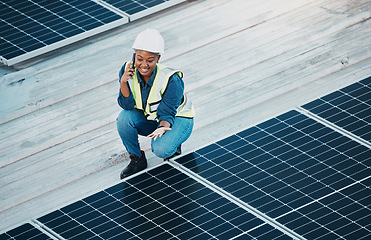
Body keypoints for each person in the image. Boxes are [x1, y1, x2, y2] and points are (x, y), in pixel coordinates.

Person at [116, 29, 195, 179]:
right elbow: (127, 106)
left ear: (158, 59)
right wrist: (123, 82)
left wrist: (163, 127)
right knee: (123, 119)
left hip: (178, 119)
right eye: (139, 59)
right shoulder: (127, 70)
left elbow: (168, 111)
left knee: (161, 149)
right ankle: (137, 159)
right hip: (152, 117)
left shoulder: (171, 79)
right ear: (134, 56)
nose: (144, 64)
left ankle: (173, 144)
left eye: (150, 60)